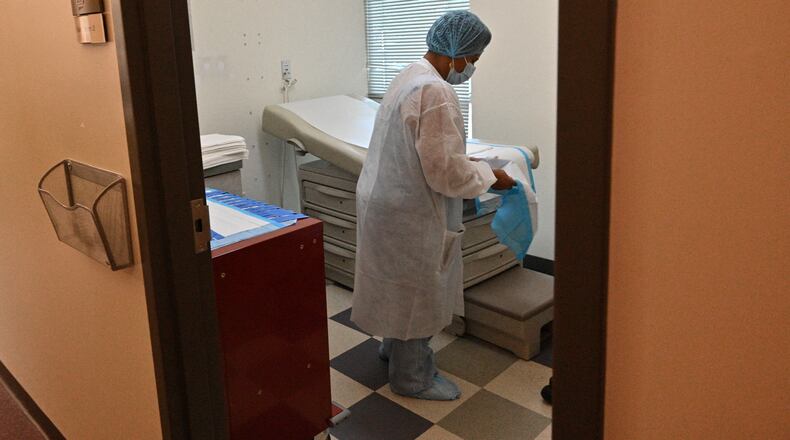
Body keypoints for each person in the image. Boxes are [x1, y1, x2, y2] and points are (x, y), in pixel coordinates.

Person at [351, 10, 515, 401]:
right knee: (418, 288)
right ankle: (412, 377)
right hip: (410, 210)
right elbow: (446, 174)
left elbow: (430, 152)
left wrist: (469, 164)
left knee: (396, 282)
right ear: (455, 52)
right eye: (472, 60)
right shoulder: (437, 92)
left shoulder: (410, 75)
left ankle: (393, 349)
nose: (470, 68)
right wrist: (493, 177)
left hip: (385, 199)